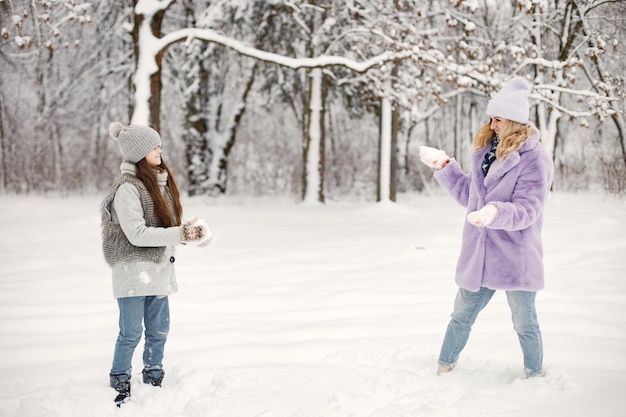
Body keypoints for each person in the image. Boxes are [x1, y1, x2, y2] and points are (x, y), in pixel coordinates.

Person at [419, 76, 554, 378]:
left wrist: (495, 212)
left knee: (524, 322)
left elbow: (529, 209)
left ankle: (535, 375)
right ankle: (443, 369)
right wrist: (446, 167)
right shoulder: (486, 153)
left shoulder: (535, 160)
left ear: (516, 122)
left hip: (514, 257)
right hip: (479, 256)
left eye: (499, 119)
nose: (493, 125)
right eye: (491, 118)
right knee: (460, 315)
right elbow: (470, 196)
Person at [100, 122, 214, 406]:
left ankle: (153, 374)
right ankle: (120, 378)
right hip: (132, 270)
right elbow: (137, 234)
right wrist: (180, 234)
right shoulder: (127, 188)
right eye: (154, 146)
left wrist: (194, 234)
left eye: (159, 144)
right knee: (131, 332)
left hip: (159, 268)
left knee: (159, 328)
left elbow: (167, 227)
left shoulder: (159, 182)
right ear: (139, 152)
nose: (160, 149)